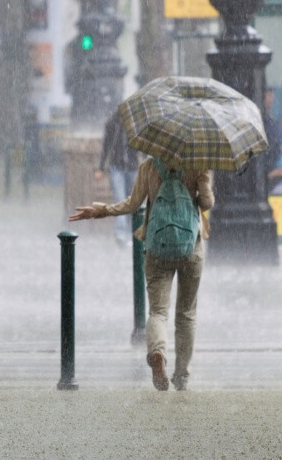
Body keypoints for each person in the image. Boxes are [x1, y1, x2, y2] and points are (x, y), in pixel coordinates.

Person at [69, 157, 213, 391]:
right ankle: (182, 376)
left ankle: (158, 353)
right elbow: (207, 202)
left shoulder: (150, 165)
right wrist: (198, 188)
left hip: (158, 247)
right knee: (186, 314)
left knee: (157, 311)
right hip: (190, 247)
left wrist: (102, 210)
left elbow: (133, 204)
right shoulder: (198, 162)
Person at [95, 110, 141, 246]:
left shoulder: (136, 125)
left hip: (132, 168)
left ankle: (130, 233)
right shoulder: (112, 124)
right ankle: (121, 233)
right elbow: (106, 147)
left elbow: (143, 146)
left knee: (132, 201)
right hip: (117, 168)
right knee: (120, 199)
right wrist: (101, 168)